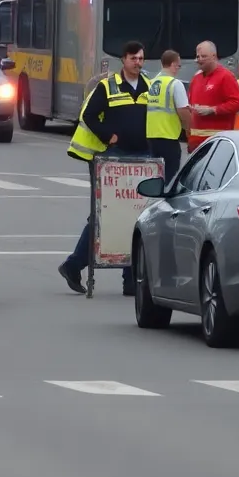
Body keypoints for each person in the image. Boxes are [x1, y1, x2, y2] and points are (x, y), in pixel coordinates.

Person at [60, 40, 150, 296]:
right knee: (105, 215)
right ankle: (73, 265)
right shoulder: (107, 86)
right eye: (133, 58)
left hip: (143, 157)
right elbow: (87, 116)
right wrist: (106, 136)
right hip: (113, 158)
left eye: (141, 58)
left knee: (137, 216)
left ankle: (131, 280)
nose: (138, 63)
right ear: (124, 59)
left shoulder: (148, 86)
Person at [186, 40, 239, 151]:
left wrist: (213, 110)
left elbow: (237, 103)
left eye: (204, 56)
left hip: (216, 143)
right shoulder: (196, 79)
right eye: (198, 57)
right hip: (195, 144)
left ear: (214, 56)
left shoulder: (226, 76)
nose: (199, 60)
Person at [146, 49, 191, 182]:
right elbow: (183, 110)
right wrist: (189, 127)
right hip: (169, 137)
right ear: (172, 65)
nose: (178, 69)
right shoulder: (175, 84)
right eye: (178, 65)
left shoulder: (151, 83)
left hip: (151, 137)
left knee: (155, 176)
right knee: (171, 178)